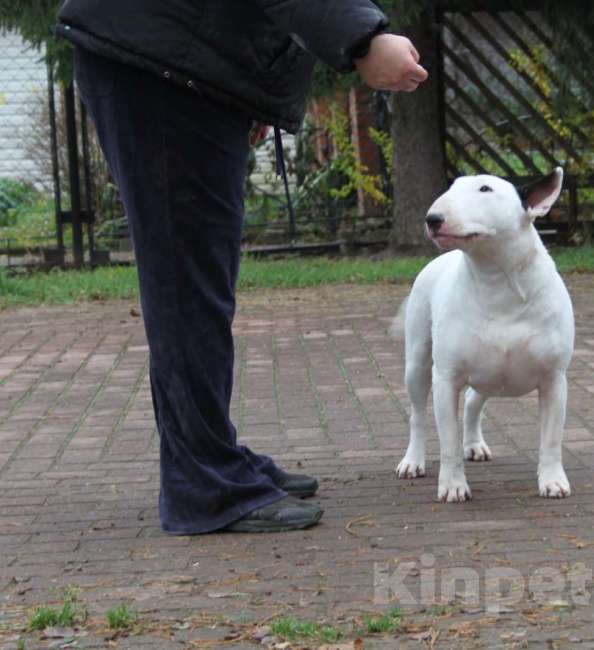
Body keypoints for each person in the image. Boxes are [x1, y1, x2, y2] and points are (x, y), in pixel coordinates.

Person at [55, 1, 428, 535]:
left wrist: (245, 89)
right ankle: (203, 484)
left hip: (179, 60)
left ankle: (209, 456)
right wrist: (364, 39)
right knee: (185, 285)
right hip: (162, 66)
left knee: (195, 282)